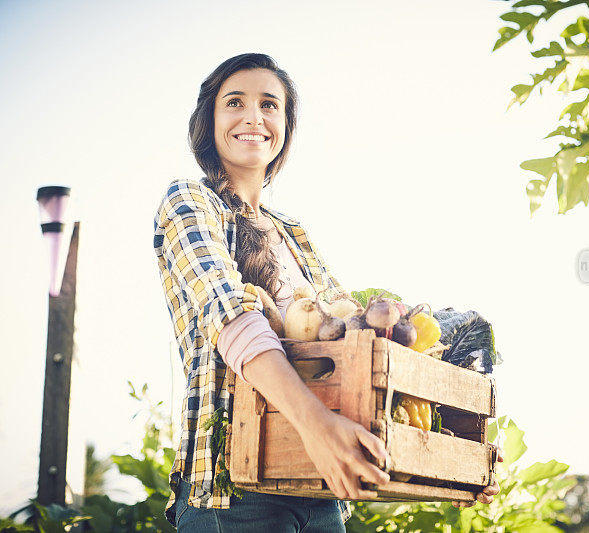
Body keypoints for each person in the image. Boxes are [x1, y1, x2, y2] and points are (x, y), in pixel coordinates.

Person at [153, 53, 499, 532]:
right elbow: (230, 314)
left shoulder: (294, 235)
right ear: (208, 122)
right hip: (232, 490)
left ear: (285, 127)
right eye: (235, 102)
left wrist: (452, 462)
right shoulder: (189, 201)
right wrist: (315, 426)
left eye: (269, 105)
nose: (253, 116)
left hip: (318, 491)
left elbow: (358, 349)